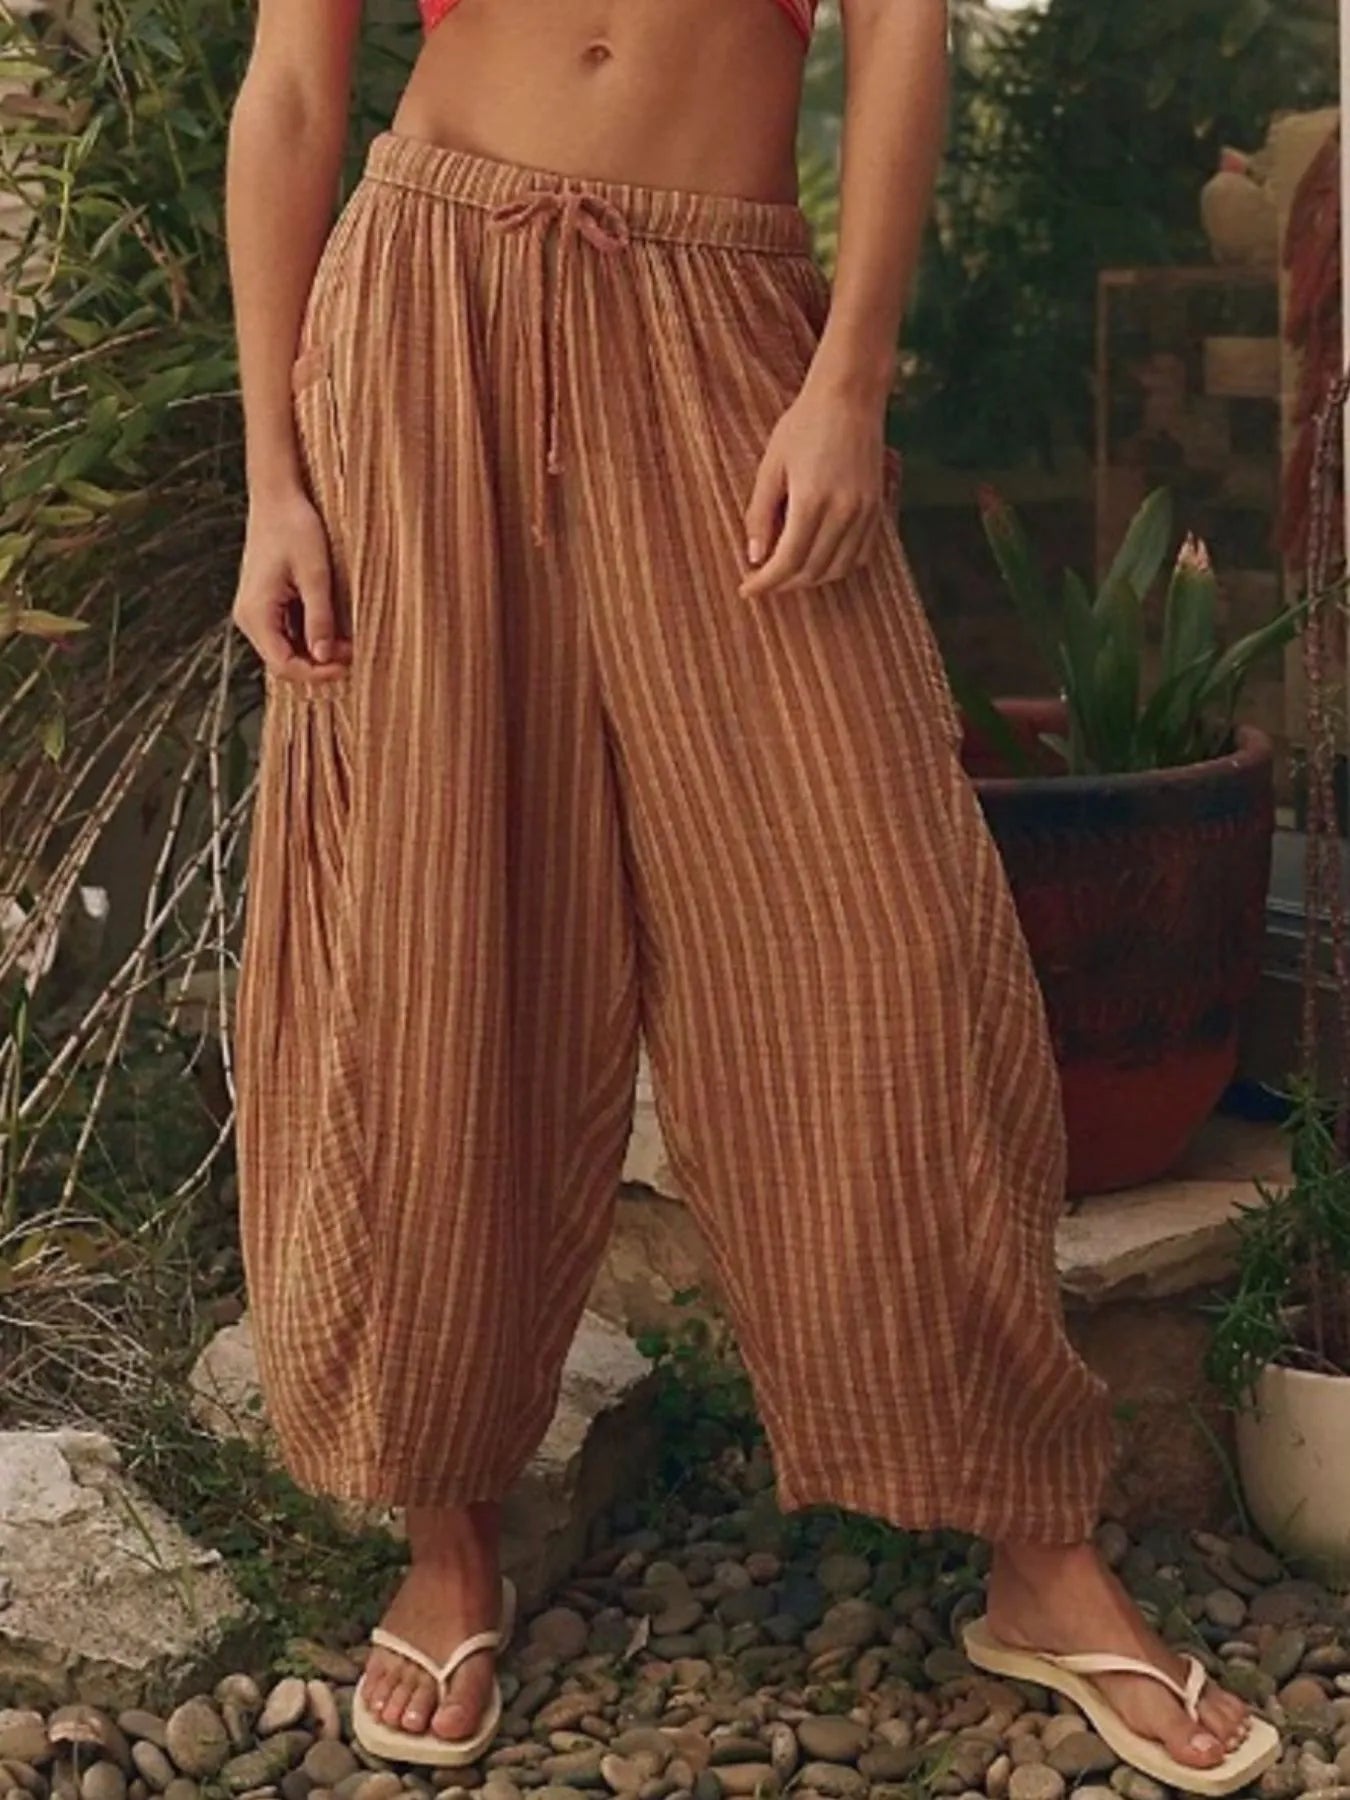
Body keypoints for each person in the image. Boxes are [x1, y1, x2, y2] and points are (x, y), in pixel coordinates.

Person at [224, 0, 1274, 1789]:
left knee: (885, 945)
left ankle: (1036, 1548)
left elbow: (898, 28)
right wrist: (274, 481)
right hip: (423, 318)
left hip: (723, 327)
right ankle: (449, 1530)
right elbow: (295, 85)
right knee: (434, 939)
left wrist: (847, 381)